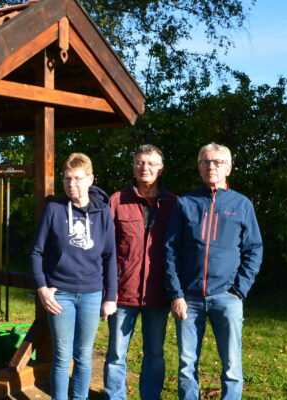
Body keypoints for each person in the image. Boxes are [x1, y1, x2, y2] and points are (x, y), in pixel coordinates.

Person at [164, 143, 263, 400]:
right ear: (198, 167)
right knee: (186, 366)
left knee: (231, 365)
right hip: (189, 298)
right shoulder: (185, 203)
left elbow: (254, 249)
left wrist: (238, 290)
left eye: (218, 162)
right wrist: (176, 294)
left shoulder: (242, 204)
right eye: (205, 162)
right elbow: (170, 250)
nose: (212, 166)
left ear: (228, 167)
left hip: (226, 297)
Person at [30, 152, 118, 400]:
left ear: (90, 179)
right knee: (62, 355)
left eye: (78, 179)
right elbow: (36, 252)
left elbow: (110, 256)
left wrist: (110, 297)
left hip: (91, 293)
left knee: (83, 355)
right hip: (61, 295)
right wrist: (42, 288)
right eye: (68, 179)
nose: (72, 184)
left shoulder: (103, 213)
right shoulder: (54, 210)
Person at [104, 145, 177, 400]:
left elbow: (180, 250)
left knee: (155, 353)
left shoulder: (173, 204)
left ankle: (151, 396)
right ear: (133, 167)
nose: (145, 167)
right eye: (139, 163)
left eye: (151, 163)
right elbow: (106, 248)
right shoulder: (117, 200)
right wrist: (108, 292)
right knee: (115, 355)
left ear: (160, 168)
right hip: (122, 294)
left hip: (158, 294)